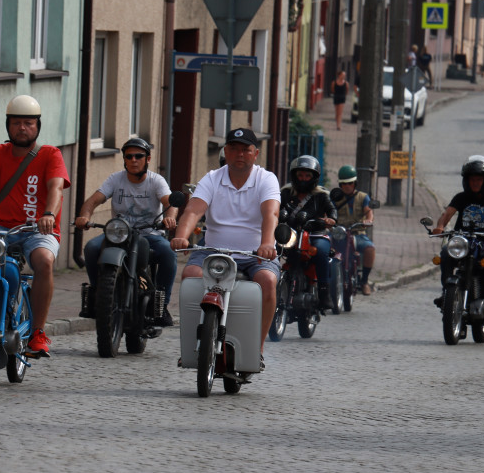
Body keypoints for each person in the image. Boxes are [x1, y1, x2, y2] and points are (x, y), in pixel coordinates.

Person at [0, 95, 71, 358]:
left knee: (44, 262)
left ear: (37, 126)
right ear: (8, 125)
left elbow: (56, 188)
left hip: (37, 229)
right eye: (16, 123)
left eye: (28, 123)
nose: (22, 128)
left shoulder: (51, 155)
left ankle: (38, 332)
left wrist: (49, 214)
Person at [170, 128, 280, 365]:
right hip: (213, 251)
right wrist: (181, 236)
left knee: (268, 281)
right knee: (190, 275)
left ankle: (257, 349)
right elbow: (193, 210)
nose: (240, 154)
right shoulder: (212, 178)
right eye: (234, 148)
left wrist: (267, 243)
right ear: (226, 151)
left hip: (254, 254)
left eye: (245, 149)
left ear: (255, 153)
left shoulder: (266, 179)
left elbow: (271, 212)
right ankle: (191, 346)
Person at [74, 137, 179, 326]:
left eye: (139, 156)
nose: (133, 160)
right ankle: (98, 295)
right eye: (129, 156)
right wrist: (84, 216)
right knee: (91, 247)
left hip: (149, 234)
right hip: (119, 234)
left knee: (168, 253)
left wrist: (169, 218)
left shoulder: (156, 181)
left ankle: (161, 305)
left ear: (147, 159)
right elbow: (92, 201)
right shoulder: (116, 179)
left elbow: (170, 203)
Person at [428, 155, 484, 314]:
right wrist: (440, 227)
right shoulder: (460, 197)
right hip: (463, 239)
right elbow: (447, 214)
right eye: (472, 179)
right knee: (445, 252)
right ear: (466, 181)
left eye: (479, 179)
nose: (475, 183)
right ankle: (446, 292)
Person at [280, 155, 338, 309]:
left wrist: (331, 219)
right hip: (291, 234)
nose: (303, 179)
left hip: (315, 233)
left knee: (320, 252)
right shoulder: (285, 192)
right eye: (300, 175)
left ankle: (324, 294)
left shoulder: (321, 195)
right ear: (294, 175)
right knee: (272, 249)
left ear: (314, 177)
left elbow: (332, 210)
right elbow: (274, 208)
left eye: (307, 175)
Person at [333, 165, 376, 295]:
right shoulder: (335, 196)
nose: (347, 186)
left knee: (370, 249)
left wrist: (368, 220)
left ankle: (364, 281)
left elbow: (369, 211)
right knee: (324, 249)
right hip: (339, 234)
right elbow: (328, 212)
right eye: (344, 183)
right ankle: (325, 280)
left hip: (357, 233)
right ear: (340, 184)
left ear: (355, 183)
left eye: (350, 183)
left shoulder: (363, 197)